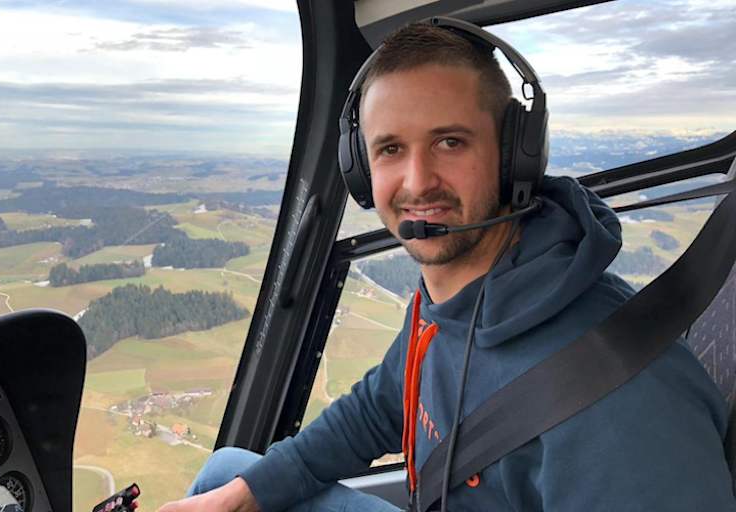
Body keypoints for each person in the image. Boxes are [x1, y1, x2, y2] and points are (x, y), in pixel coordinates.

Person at [158, 21, 735, 512]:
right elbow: (375, 410)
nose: (417, 182)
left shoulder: (622, 405)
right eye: (390, 149)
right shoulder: (450, 302)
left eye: (451, 142)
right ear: (360, 170)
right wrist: (241, 495)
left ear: (515, 157)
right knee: (228, 474)